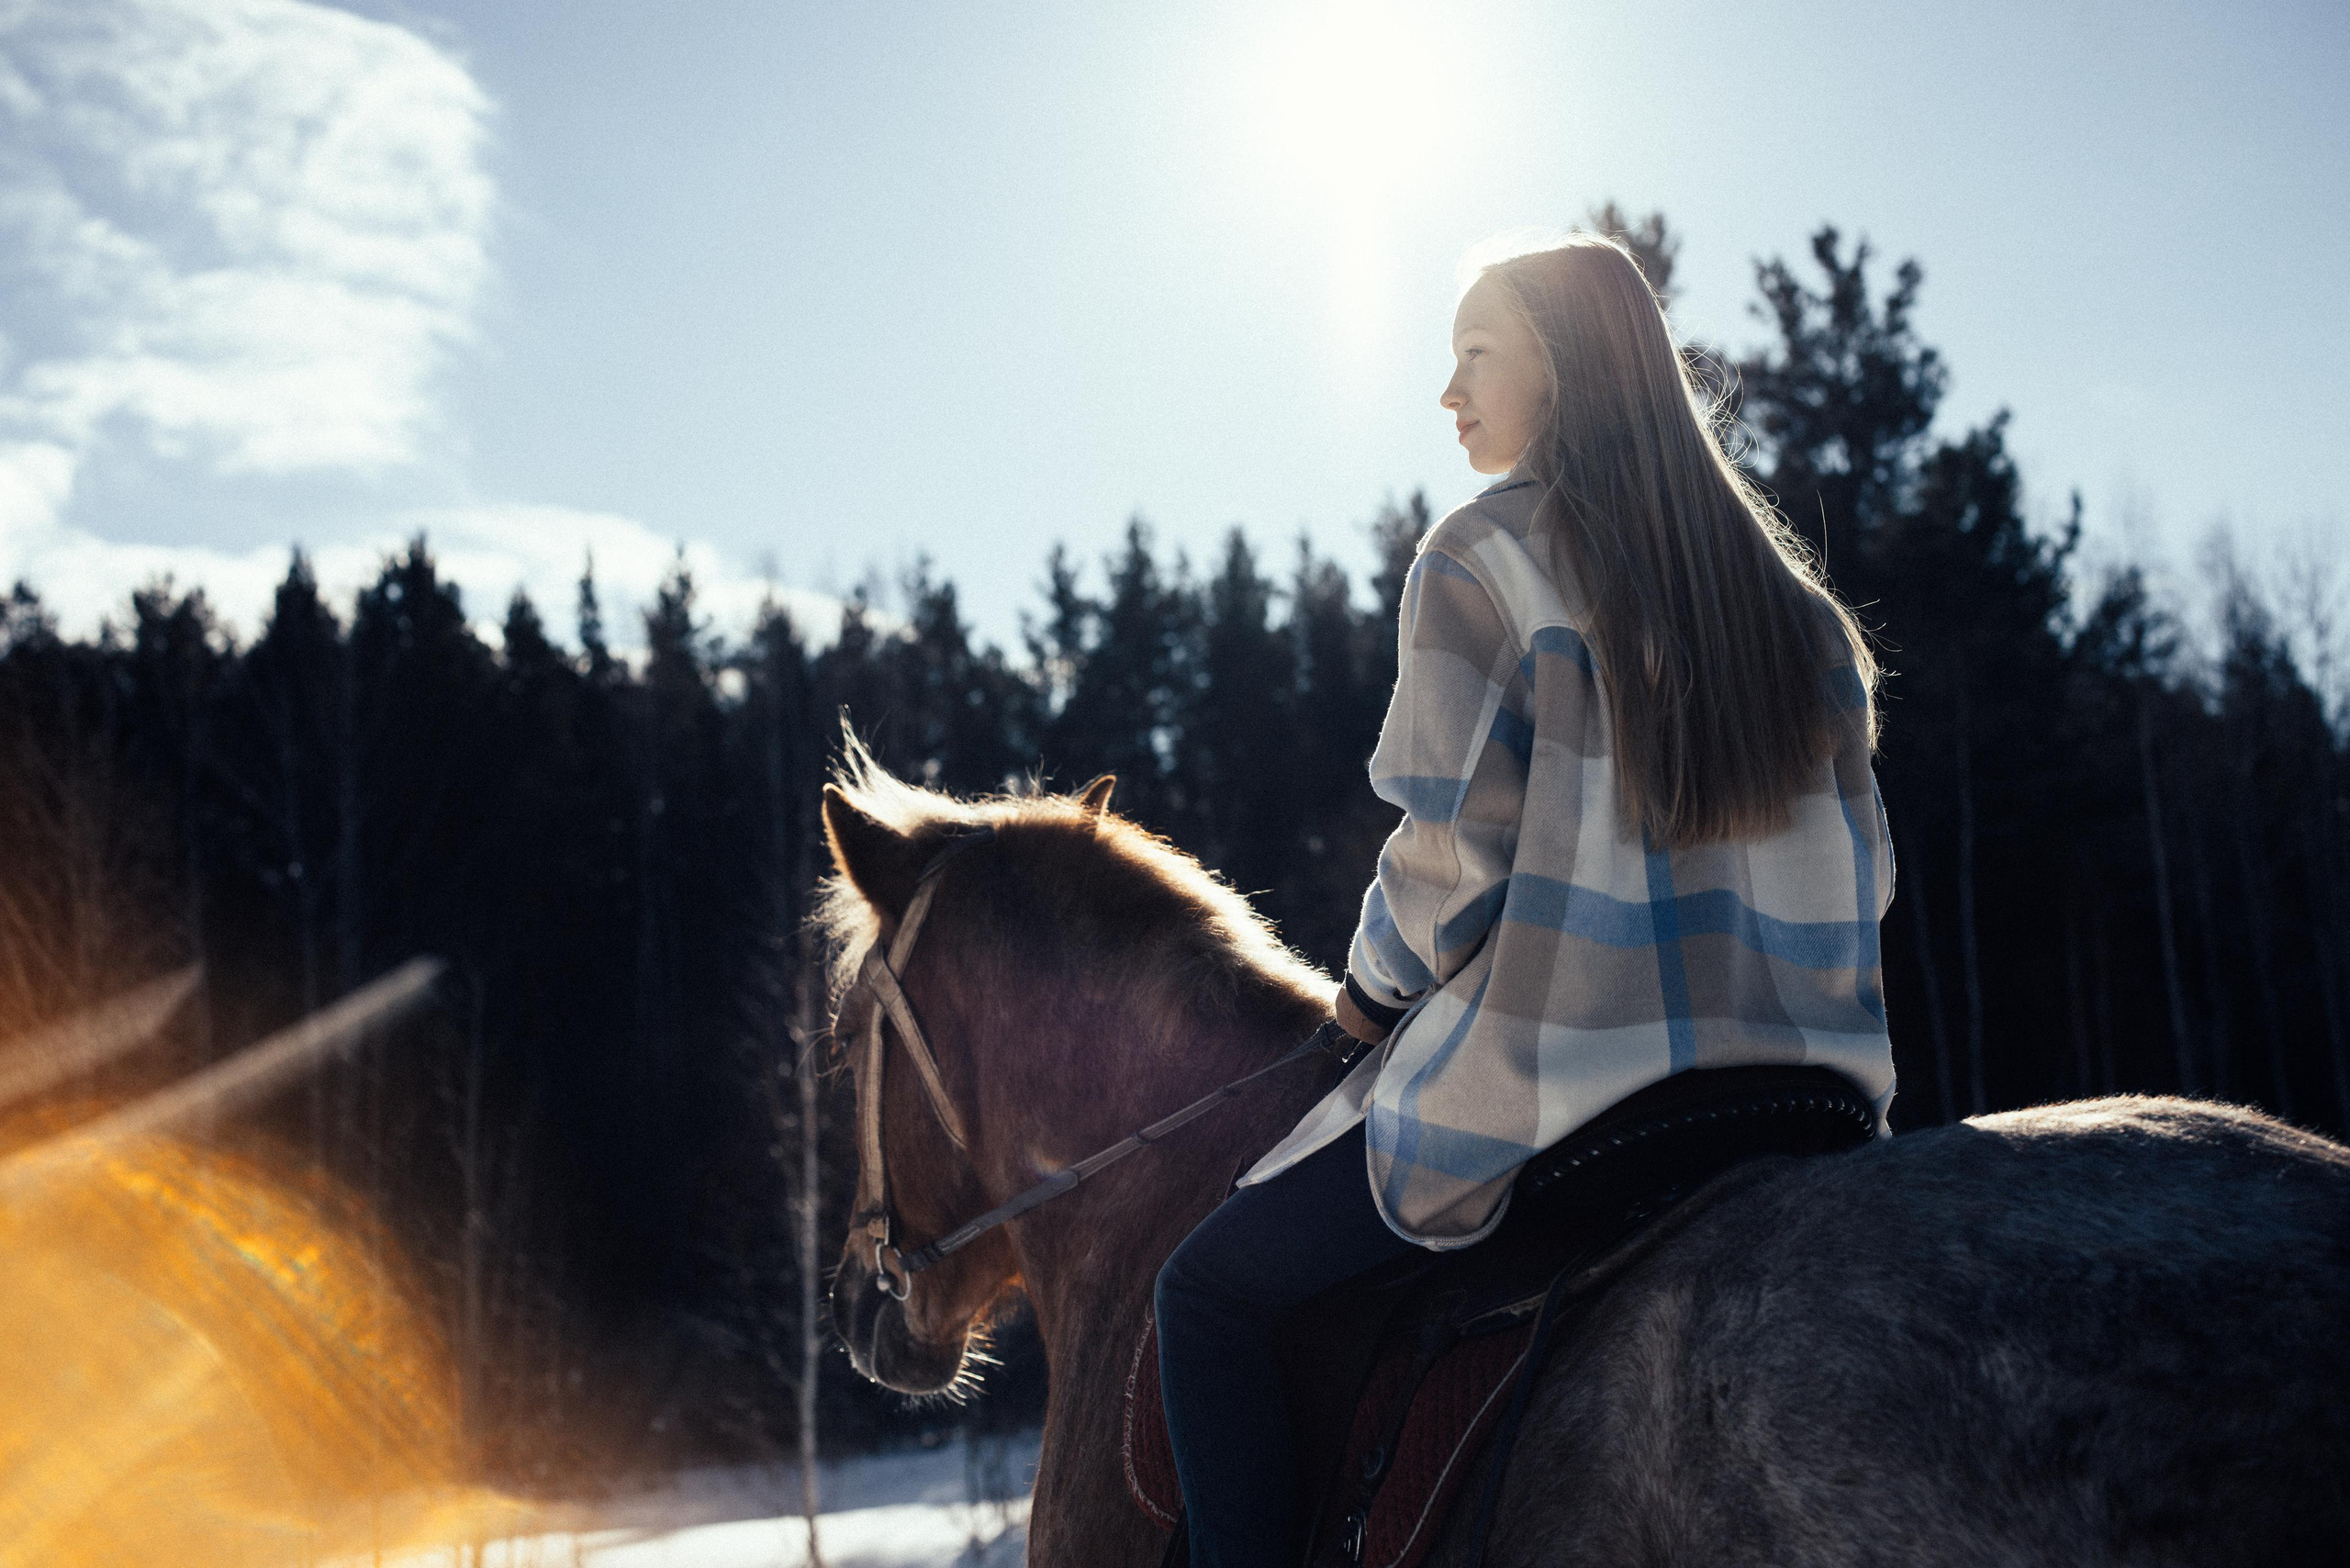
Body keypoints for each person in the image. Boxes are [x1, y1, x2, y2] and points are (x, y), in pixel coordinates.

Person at [1151, 233, 1897, 1566]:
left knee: (1204, 1293)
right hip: (1814, 1100)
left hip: (1572, 1103)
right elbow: (1868, 881)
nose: (1449, 394)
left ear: (1558, 364)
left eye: (1474, 355)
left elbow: (1453, 858)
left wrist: (1362, 1004)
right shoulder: (1802, 618)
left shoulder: (1484, 556)